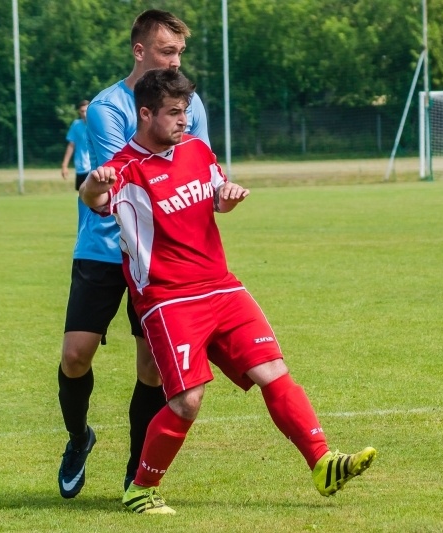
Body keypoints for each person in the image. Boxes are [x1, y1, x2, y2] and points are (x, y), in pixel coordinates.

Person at [80, 68, 377, 515]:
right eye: (174, 113)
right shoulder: (124, 169)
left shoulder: (197, 149)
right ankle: (140, 489)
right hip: (168, 300)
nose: (184, 120)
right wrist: (92, 186)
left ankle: (323, 462)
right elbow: (95, 199)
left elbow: (215, 193)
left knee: (273, 369)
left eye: (186, 111)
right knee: (186, 400)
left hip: (221, 287)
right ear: (145, 114)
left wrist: (227, 197)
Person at [57, 9, 210, 500]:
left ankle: (134, 472)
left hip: (159, 256)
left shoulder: (191, 103)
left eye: (180, 52)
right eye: (167, 50)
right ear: (139, 50)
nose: (175, 60)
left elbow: (199, 168)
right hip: (103, 249)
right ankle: (79, 437)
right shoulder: (108, 107)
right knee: (76, 356)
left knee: (150, 368)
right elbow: (123, 180)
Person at [61, 100, 91, 191]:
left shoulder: (97, 124)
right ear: (79, 112)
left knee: (94, 197)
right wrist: (64, 165)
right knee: (82, 195)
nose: (84, 113)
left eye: (86, 110)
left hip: (94, 166)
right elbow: (71, 145)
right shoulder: (76, 125)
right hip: (81, 167)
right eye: (82, 111)